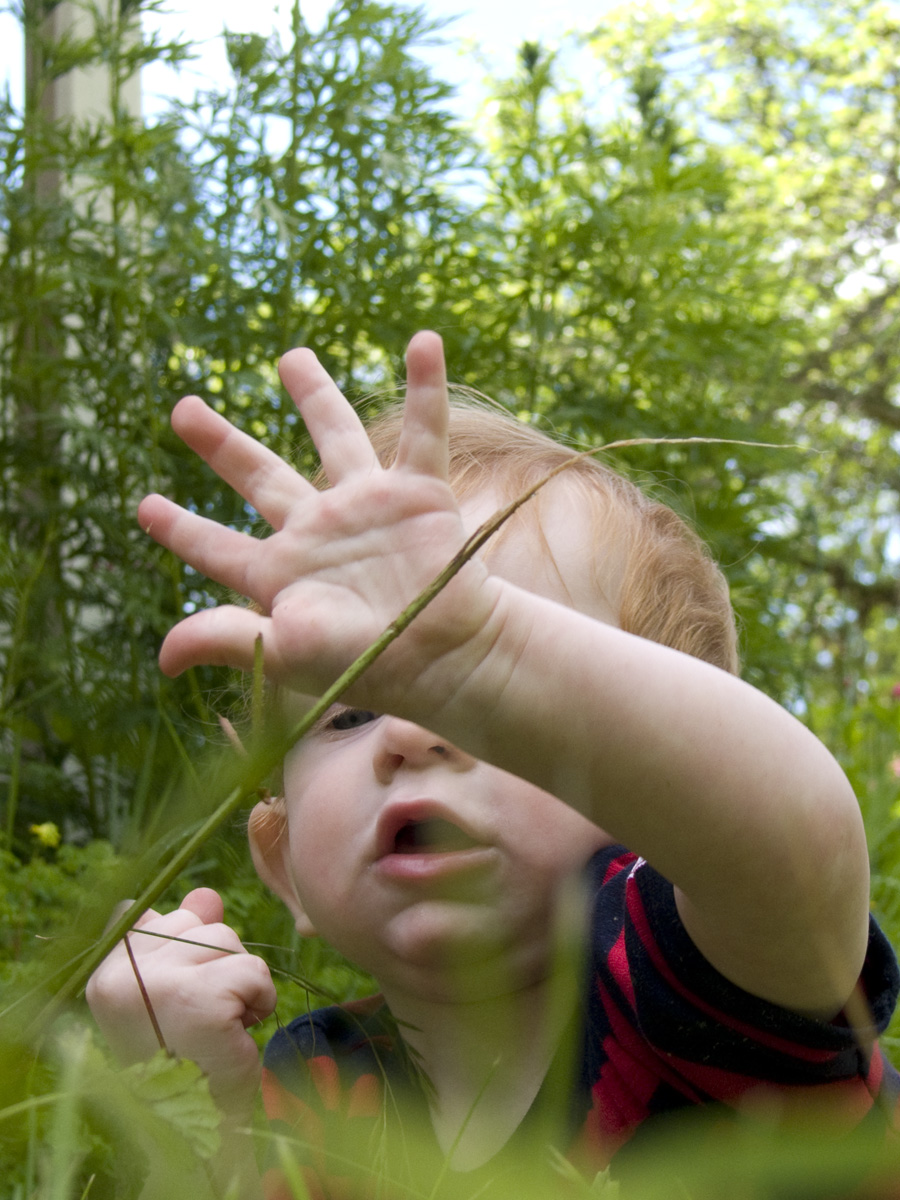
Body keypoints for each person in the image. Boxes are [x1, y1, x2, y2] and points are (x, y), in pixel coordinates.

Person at [87, 332, 900, 1199]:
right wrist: (188, 1103)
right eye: (353, 710)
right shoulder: (321, 1087)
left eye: (491, 708)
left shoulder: (692, 993)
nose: (411, 734)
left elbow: (790, 851)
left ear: (656, 796)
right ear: (284, 867)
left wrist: (494, 654)